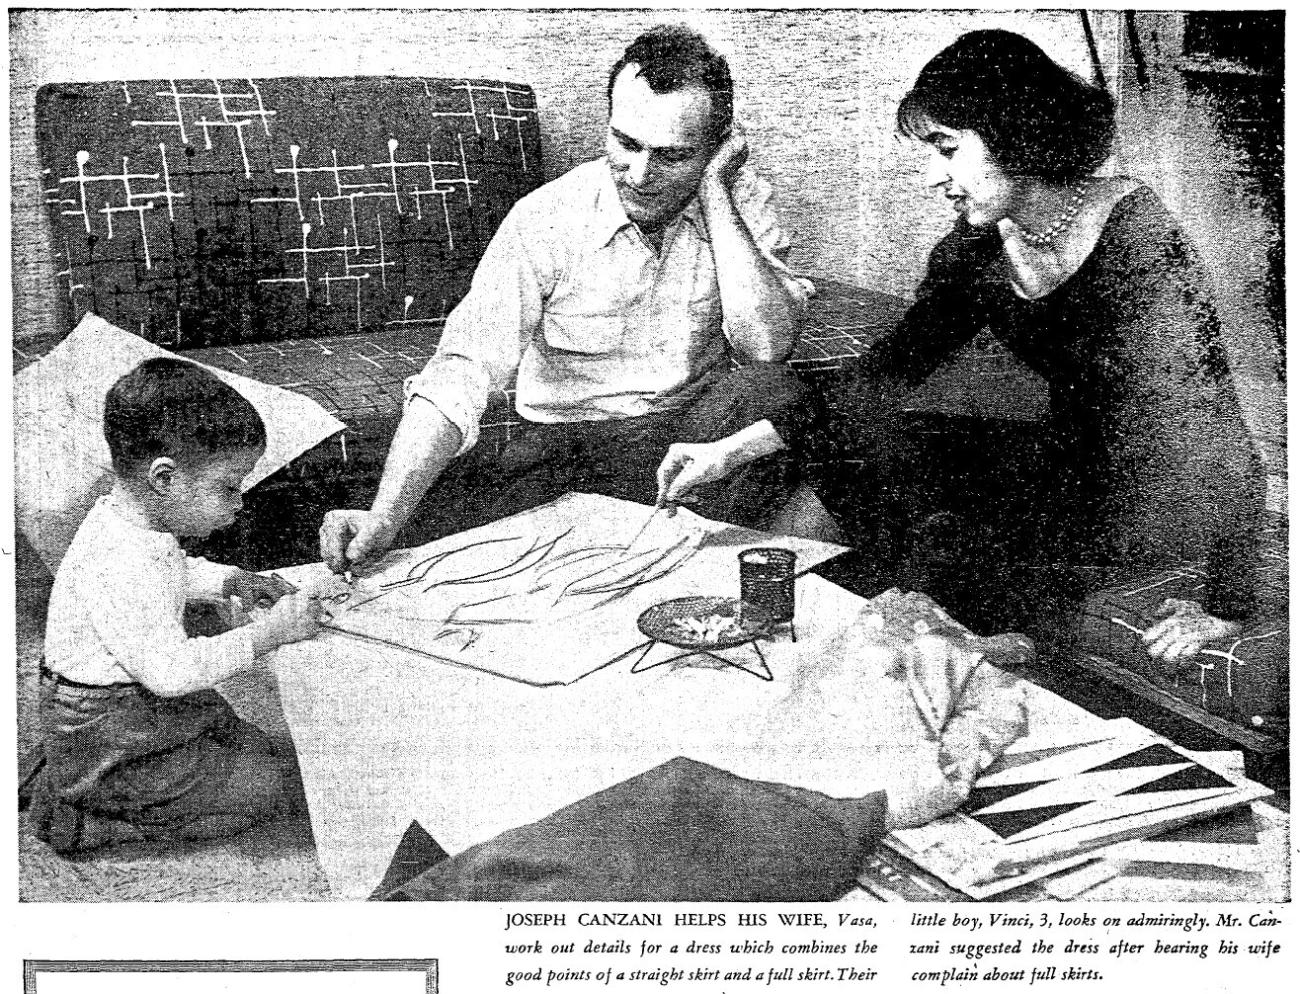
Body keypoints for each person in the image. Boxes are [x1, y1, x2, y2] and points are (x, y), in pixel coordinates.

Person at [656, 29, 1264, 662]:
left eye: (946, 149)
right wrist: (726, 452)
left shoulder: (1138, 241)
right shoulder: (976, 247)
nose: (932, 177)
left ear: (1016, 131)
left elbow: (1214, 429)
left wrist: (1225, 608)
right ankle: (772, 627)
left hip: (1138, 498)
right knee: (867, 442)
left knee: (949, 529)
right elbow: (883, 375)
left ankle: (993, 639)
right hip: (1054, 463)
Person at [320, 24, 814, 575]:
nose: (640, 175)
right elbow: (462, 370)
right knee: (434, 545)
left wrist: (715, 193)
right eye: (626, 144)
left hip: (689, 440)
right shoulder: (547, 216)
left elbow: (767, 349)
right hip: (567, 449)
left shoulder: (741, 202)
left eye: (673, 156)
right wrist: (386, 515)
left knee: (775, 391)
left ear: (717, 149)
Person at [29, 358, 325, 854]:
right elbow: (172, 673)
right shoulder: (120, 560)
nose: (239, 503)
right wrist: (267, 634)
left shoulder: (136, 526)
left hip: (137, 705)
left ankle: (76, 775)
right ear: (164, 478)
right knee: (266, 788)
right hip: (113, 724)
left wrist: (230, 580)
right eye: (228, 486)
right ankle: (84, 815)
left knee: (259, 748)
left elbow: (175, 570)